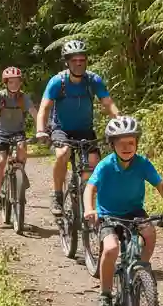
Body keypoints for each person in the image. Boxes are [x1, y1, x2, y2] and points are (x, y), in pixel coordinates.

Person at [84, 116, 163, 306]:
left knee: (149, 232)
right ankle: (105, 295)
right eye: (121, 143)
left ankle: (141, 271)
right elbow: (90, 188)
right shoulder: (105, 165)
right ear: (112, 145)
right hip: (108, 214)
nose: (127, 147)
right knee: (111, 248)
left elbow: (160, 185)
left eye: (131, 142)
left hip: (134, 212)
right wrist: (89, 208)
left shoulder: (142, 163)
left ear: (137, 143)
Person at [36, 39, 119, 216]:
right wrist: (40, 130)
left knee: (93, 165)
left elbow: (108, 103)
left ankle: (87, 201)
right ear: (67, 62)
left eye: (82, 60)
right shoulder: (58, 82)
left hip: (85, 130)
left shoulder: (93, 80)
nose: (79, 63)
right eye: (74, 60)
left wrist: (119, 123)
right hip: (61, 129)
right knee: (62, 153)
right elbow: (44, 109)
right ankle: (57, 195)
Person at [0, 67, 39, 211]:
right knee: (1, 161)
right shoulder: (0, 97)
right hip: (2, 133)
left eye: (17, 81)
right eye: (11, 82)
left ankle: (19, 177)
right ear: (6, 83)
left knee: (22, 150)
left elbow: (34, 114)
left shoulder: (23, 97)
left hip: (18, 132)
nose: (14, 85)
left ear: (21, 82)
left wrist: (40, 131)